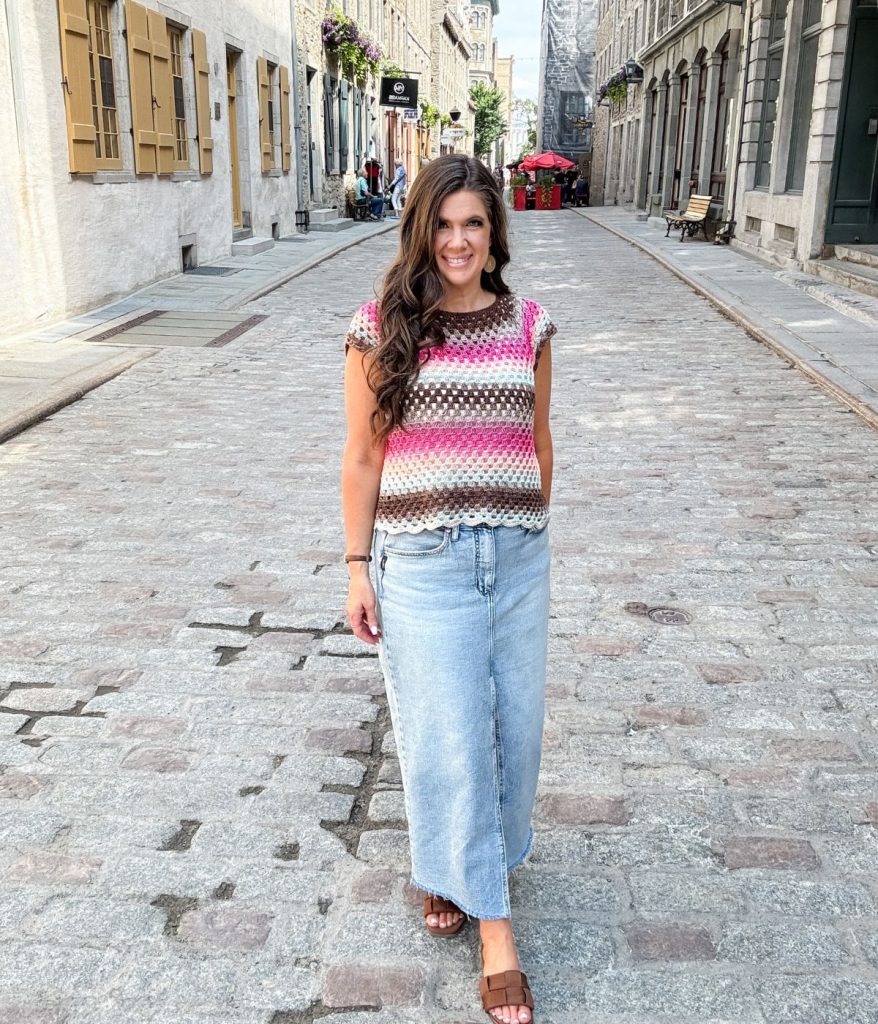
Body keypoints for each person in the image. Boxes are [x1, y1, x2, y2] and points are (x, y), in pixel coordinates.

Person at [342, 154, 555, 1024]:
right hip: (423, 561)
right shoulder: (379, 328)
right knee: (452, 740)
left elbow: (540, 441)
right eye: (444, 223)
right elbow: (362, 457)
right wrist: (357, 565)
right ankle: (493, 924)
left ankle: (446, 868)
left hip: (517, 559)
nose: (459, 240)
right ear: (421, 229)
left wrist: (527, 530)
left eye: (474, 223)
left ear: (494, 233)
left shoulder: (531, 325)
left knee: (516, 735)